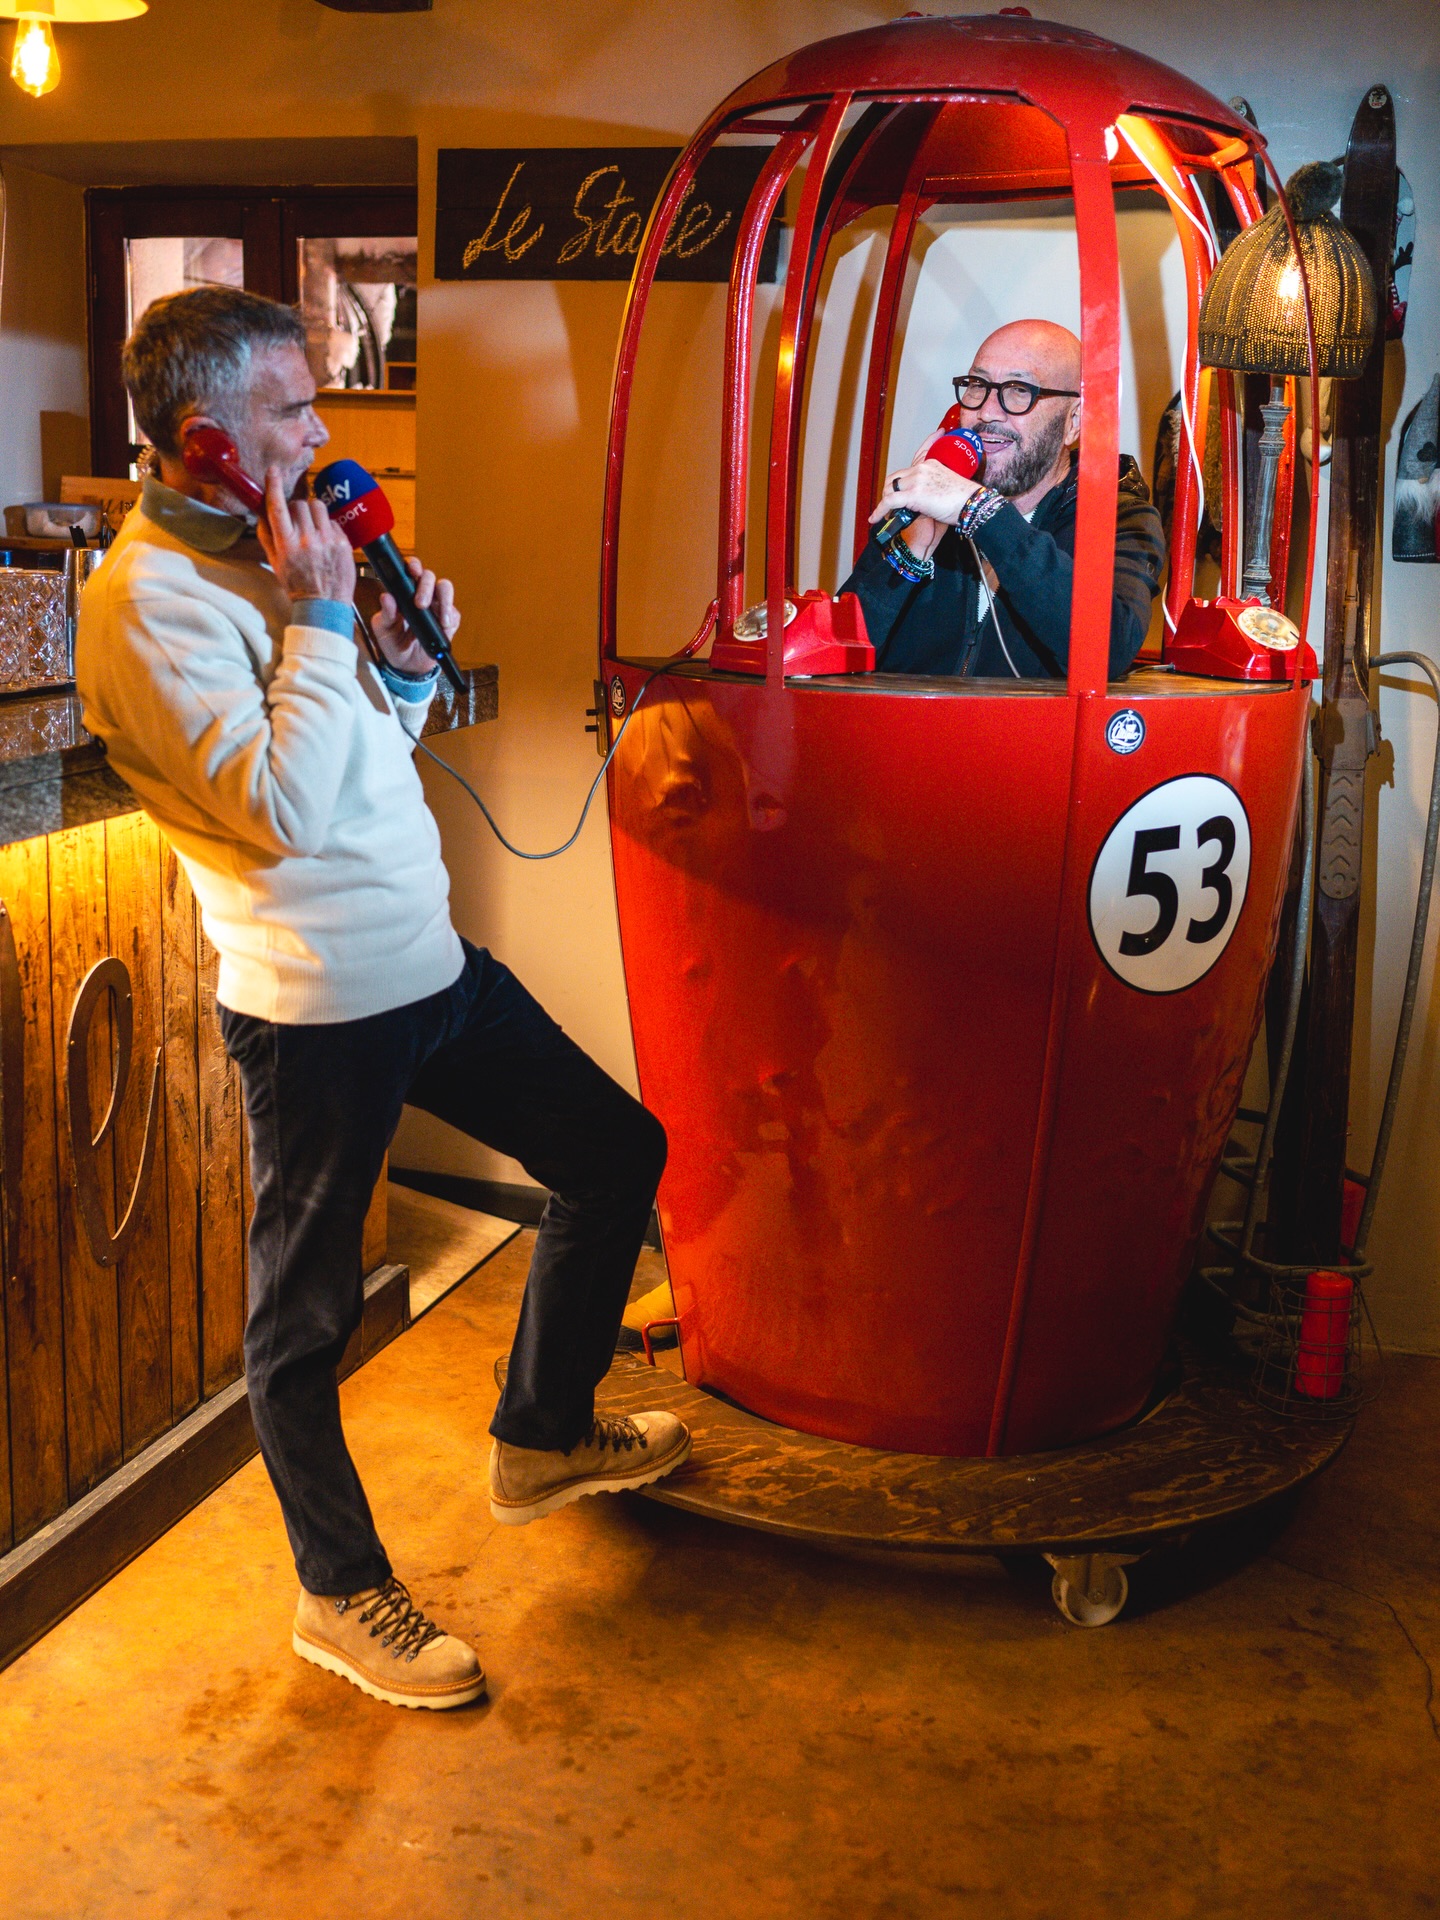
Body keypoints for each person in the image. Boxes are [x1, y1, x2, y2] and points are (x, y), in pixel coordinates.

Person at [75, 287, 690, 1713]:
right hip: (314, 1008)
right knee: (305, 1322)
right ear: (205, 437)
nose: (321, 431)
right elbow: (284, 813)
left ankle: (542, 1432)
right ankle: (338, 1591)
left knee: (615, 1153)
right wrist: (319, 617)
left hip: (427, 964)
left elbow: (356, 768)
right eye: (292, 408)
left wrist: (400, 677)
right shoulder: (144, 606)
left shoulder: (279, 553)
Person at [842, 319, 1166, 680]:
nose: (987, 412)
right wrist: (912, 547)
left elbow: (1108, 649)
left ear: (1074, 421)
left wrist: (981, 513)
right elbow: (838, 652)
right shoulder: (927, 509)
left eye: (1019, 390)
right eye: (977, 385)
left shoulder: (1118, 519)